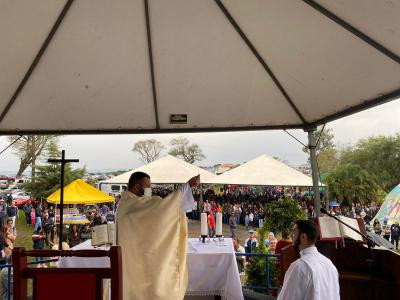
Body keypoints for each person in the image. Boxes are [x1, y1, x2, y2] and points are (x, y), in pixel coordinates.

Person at [117, 171, 200, 300]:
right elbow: (163, 209)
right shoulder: (131, 204)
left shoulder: (128, 203)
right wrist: (187, 186)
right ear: (137, 187)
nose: (150, 190)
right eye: (148, 186)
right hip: (133, 257)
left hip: (137, 255)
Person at [278, 220, 340, 300]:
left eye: (294, 231)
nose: (291, 235)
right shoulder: (329, 264)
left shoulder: (299, 266)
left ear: (303, 237)